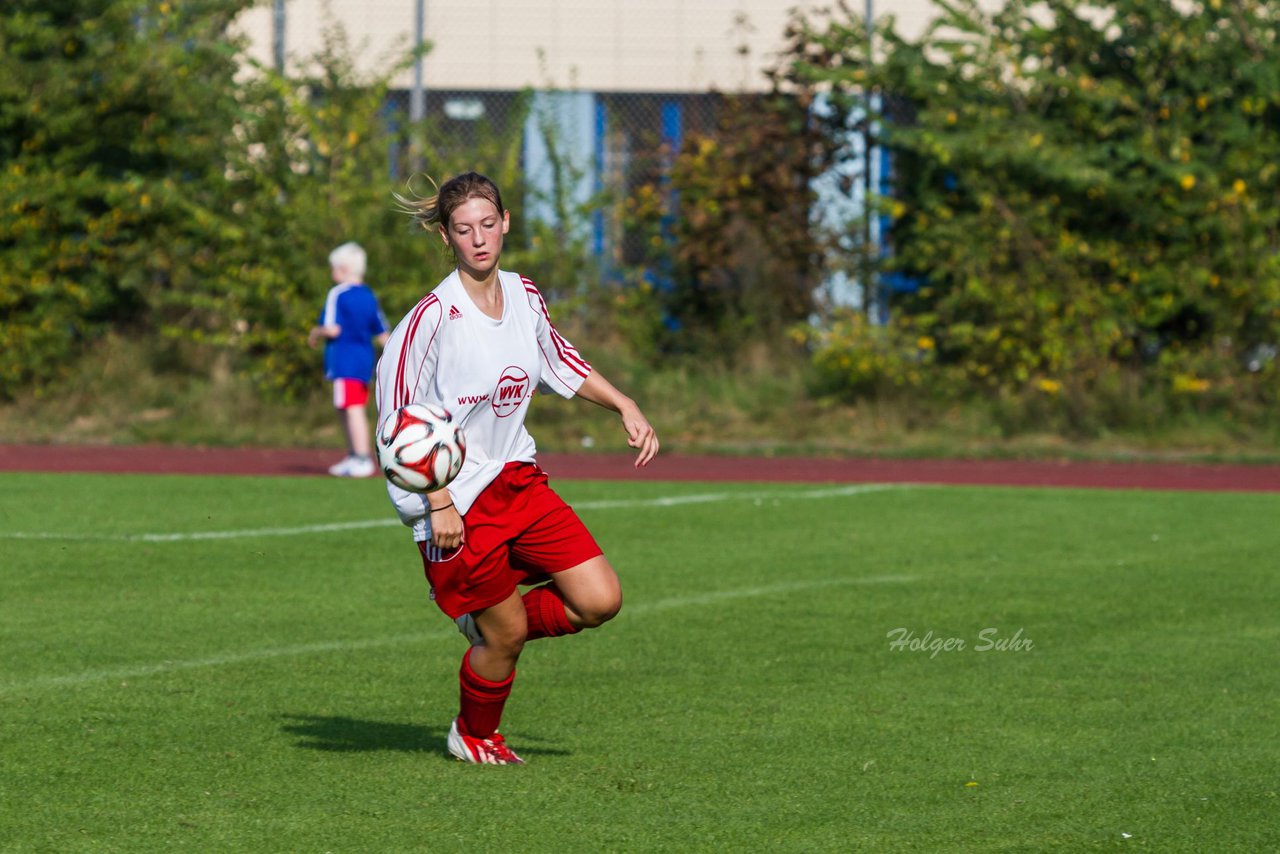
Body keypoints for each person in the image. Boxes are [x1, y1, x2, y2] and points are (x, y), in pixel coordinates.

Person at [376, 172, 659, 764]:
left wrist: (623, 404)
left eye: (487, 224)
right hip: (456, 499)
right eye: (463, 229)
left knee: (599, 599)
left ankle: (488, 625)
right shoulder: (431, 318)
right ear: (447, 238)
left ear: (505, 222)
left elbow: (560, 359)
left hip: (517, 477)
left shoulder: (524, 294)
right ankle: (474, 732)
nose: (478, 238)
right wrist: (438, 501)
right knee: (506, 637)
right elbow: (396, 423)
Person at [309, 241, 389, 478]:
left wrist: (316, 332)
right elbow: (383, 333)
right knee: (350, 407)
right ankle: (355, 455)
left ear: (343, 269)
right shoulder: (369, 295)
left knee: (351, 409)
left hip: (344, 361)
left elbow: (332, 329)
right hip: (364, 361)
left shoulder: (338, 293)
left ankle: (361, 457)